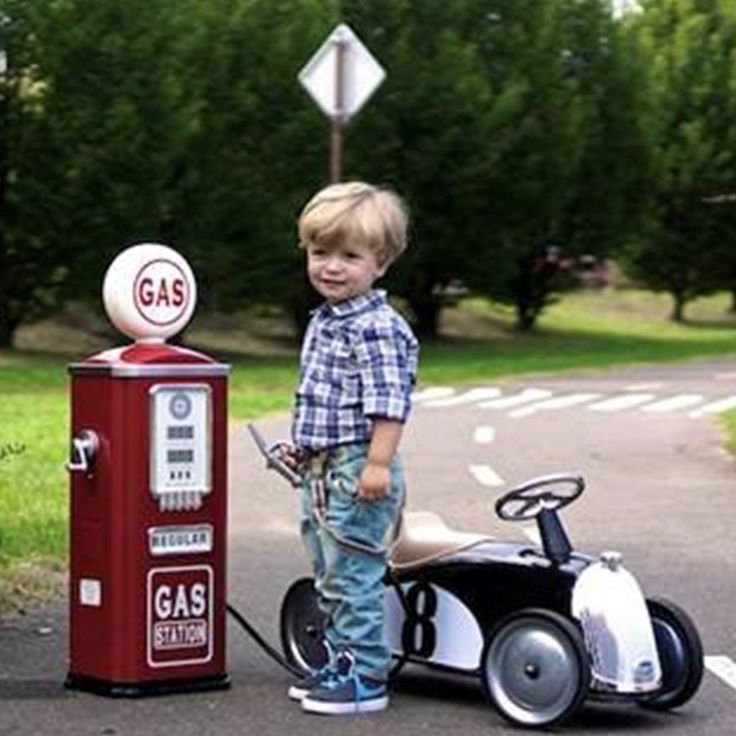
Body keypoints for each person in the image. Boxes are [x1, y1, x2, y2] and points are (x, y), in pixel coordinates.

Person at [288, 181, 419, 715]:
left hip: (356, 468)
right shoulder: (327, 320)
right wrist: (301, 445)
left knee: (352, 572)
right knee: (328, 571)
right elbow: (323, 398)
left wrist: (377, 464)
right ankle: (341, 660)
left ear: (380, 263)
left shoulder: (376, 328)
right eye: (321, 253)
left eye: (349, 256)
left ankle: (366, 676)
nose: (331, 267)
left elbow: (390, 403)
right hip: (322, 468)